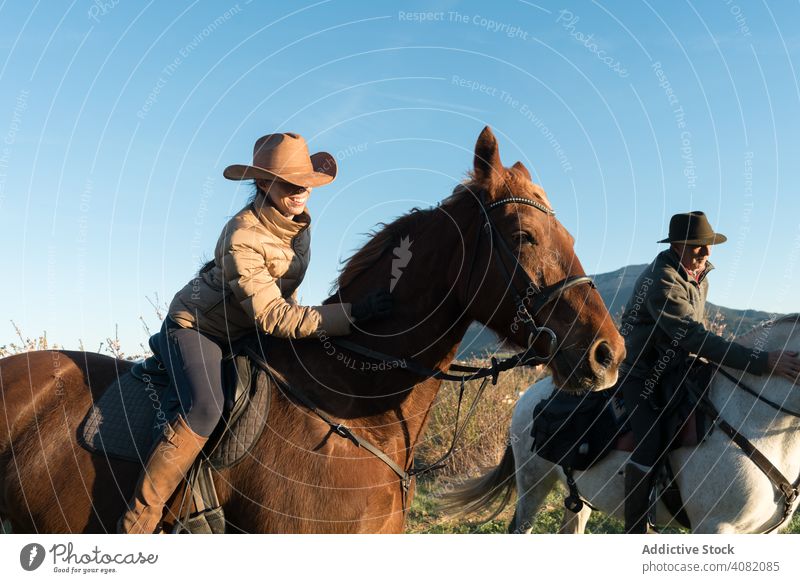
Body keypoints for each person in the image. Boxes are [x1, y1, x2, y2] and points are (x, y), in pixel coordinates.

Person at [118, 132, 392, 534]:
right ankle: (139, 521)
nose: (301, 192)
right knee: (206, 408)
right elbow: (273, 316)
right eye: (289, 184)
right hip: (198, 329)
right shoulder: (242, 234)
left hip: (247, 327)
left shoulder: (299, 226)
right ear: (264, 183)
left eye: (306, 184)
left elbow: (287, 292)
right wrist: (349, 316)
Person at [617, 211, 800, 533]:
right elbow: (690, 335)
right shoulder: (662, 279)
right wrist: (762, 361)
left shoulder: (698, 274)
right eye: (698, 245)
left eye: (709, 245)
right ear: (677, 244)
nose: (707, 252)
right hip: (642, 372)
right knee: (651, 439)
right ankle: (635, 530)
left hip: (678, 366)